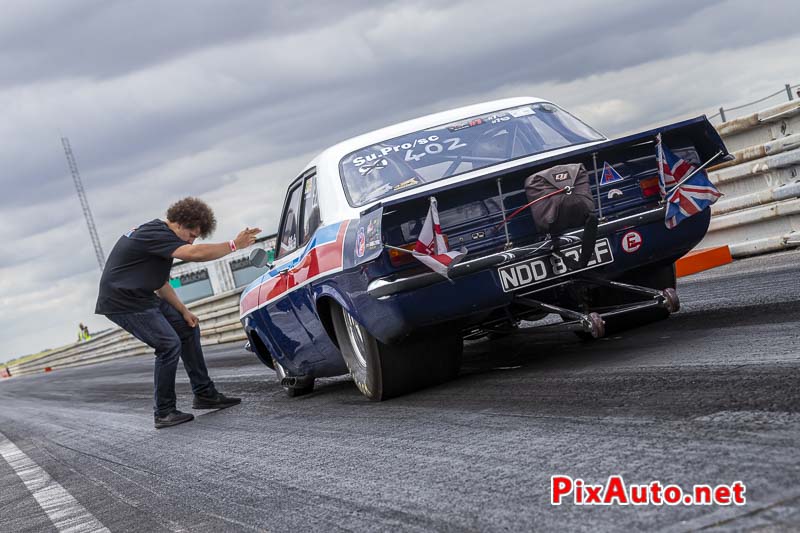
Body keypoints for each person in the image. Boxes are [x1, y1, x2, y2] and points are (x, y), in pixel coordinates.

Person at [95, 197, 261, 429]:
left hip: (143, 296)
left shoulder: (161, 239)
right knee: (168, 345)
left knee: (187, 327)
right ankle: (163, 412)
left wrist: (184, 311)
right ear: (179, 224)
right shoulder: (156, 233)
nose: (193, 242)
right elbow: (195, 255)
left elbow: (161, 283)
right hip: (123, 302)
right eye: (192, 235)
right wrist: (234, 245)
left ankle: (204, 394)